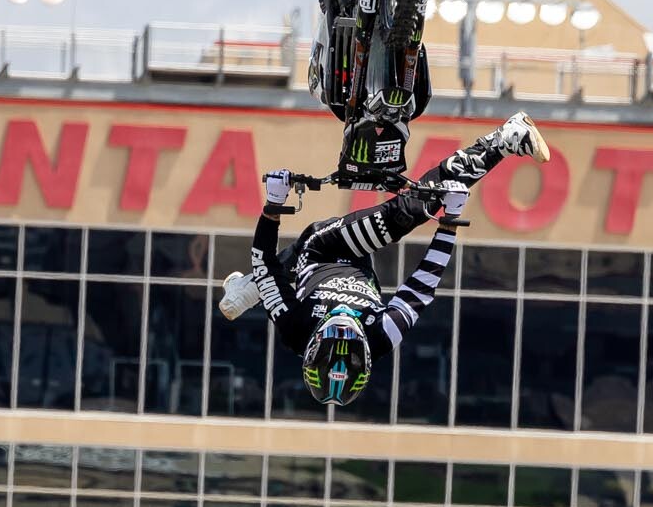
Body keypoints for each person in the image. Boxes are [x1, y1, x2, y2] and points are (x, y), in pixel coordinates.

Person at [228, 113, 553, 405]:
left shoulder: (293, 327)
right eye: (352, 332)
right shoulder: (382, 335)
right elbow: (421, 287)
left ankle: (503, 140)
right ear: (368, 354)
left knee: (404, 215)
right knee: (423, 205)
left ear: (311, 345)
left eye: (333, 329)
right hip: (358, 259)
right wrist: (450, 220)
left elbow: (264, 262)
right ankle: (249, 287)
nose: (343, 318)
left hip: (321, 250)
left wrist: (273, 203)